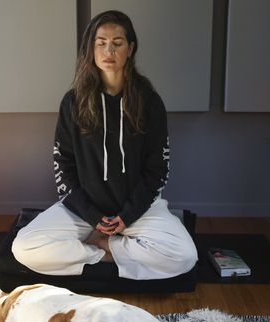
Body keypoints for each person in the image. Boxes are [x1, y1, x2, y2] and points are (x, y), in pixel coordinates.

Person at [12, 10, 197, 280]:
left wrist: (128, 216)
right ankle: (104, 253)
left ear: (130, 49)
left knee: (184, 256)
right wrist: (91, 216)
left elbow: (157, 169)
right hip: (84, 211)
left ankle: (104, 245)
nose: (108, 50)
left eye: (117, 43)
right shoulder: (73, 102)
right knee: (24, 247)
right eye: (101, 42)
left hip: (138, 211)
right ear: (91, 48)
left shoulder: (150, 102)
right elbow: (63, 165)